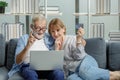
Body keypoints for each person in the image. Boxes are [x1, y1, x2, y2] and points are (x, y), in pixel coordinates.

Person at [48, 18, 120, 80]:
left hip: (84, 62)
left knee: (84, 72)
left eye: (58, 30)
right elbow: (57, 68)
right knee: (71, 79)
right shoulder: (52, 47)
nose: (56, 34)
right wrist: (57, 50)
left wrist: (79, 40)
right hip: (73, 72)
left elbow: (80, 56)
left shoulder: (72, 39)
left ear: (63, 29)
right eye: (53, 31)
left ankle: (115, 75)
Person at [7, 15, 64, 80]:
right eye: (38, 28)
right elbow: (17, 61)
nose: (41, 31)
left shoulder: (50, 38)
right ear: (32, 27)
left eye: (44, 28)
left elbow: (60, 34)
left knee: (59, 73)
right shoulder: (24, 39)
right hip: (29, 67)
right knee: (30, 74)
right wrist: (28, 46)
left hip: (47, 68)